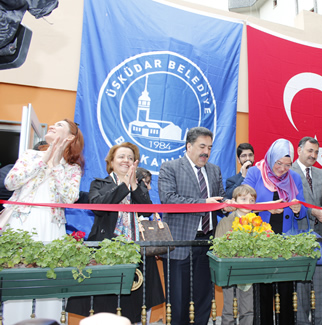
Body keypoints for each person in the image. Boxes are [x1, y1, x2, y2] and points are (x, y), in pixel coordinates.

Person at [65, 142, 164, 324]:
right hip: (106, 250)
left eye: (130, 158)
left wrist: (133, 185)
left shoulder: (138, 185)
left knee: (134, 302)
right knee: (106, 301)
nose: (126, 160)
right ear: (111, 161)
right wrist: (124, 184)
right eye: (121, 156)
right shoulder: (99, 184)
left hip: (135, 250)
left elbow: (147, 210)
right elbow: (99, 208)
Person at [3, 119, 84, 324]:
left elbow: (69, 197)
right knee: (18, 277)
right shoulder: (31, 155)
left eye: (59, 125)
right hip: (21, 223)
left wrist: (56, 164)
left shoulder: (72, 168)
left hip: (51, 226)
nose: (52, 126)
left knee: (49, 279)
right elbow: (10, 182)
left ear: (70, 137)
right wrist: (45, 158)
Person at [158, 127, 226, 325]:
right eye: (202, 146)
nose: (206, 152)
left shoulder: (214, 170)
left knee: (204, 296)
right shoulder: (170, 167)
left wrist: (229, 204)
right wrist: (204, 203)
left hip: (207, 242)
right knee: (178, 300)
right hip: (180, 242)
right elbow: (168, 199)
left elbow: (219, 199)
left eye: (210, 147)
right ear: (189, 146)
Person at [242, 138, 307, 325]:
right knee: (263, 291)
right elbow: (244, 204)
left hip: (286, 242)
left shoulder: (294, 177)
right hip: (261, 241)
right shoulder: (255, 173)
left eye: (287, 165)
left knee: (286, 291)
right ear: (271, 158)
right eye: (279, 163)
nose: (282, 168)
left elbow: (303, 210)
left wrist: (297, 209)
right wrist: (265, 208)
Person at [291, 137, 322, 325]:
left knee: (321, 286)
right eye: (309, 151)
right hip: (298, 236)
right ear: (299, 150)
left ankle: (321, 322)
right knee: (301, 287)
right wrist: (315, 211)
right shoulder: (289, 172)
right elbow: (294, 200)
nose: (313, 155)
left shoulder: (321, 174)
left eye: (316, 152)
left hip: (320, 238)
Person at [215, 184, 257, 325]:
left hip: (249, 272)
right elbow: (218, 246)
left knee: (248, 308)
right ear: (234, 201)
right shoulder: (225, 222)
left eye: (252, 200)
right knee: (229, 308)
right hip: (230, 271)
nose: (248, 203)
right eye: (243, 199)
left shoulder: (257, 222)